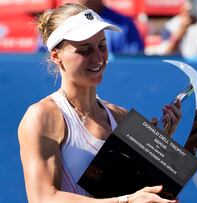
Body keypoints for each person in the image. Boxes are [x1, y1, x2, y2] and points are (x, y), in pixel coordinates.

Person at [18, 3, 182, 203]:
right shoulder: (42, 116)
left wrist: (159, 148)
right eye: (85, 50)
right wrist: (127, 201)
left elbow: (136, 189)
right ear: (56, 56)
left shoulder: (120, 116)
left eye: (102, 46)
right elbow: (42, 198)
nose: (98, 57)